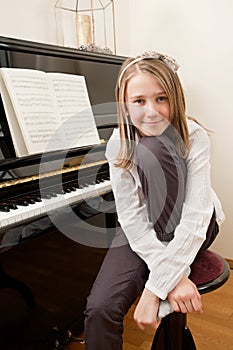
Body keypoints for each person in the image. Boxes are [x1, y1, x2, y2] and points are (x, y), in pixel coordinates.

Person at [84, 51, 225, 349]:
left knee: (156, 149)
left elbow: (197, 217)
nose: (152, 112)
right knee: (100, 308)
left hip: (197, 223)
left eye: (161, 98)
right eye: (139, 101)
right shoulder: (118, 145)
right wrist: (172, 276)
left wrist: (155, 288)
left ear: (176, 99)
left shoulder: (195, 136)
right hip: (146, 228)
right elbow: (132, 219)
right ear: (124, 105)